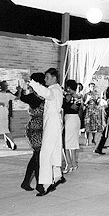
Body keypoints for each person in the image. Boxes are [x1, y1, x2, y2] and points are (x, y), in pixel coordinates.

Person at [28, 68, 65, 196]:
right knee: (54, 149)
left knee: (45, 153)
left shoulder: (54, 90)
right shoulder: (57, 89)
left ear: (54, 78)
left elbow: (45, 93)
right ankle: (57, 176)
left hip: (52, 123)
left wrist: (32, 83)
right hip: (54, 122)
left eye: (47, 77)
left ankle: (45, 184)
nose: (45, 79)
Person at [18, 72, 45, 191]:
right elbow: (24, 97)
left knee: (37, 155)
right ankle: (39, 184)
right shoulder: (36, 97)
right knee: (38, 156)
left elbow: (23, 97)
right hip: (35, 129)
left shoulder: (37, 95)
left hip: (38, 128)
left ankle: (26, 182)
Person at [62, 79, 82, 173]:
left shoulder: (68, 97)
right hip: (76, 119)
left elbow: (65, 107)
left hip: (69, 119)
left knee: (65, 143)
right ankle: (74, 163)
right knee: (73, 142)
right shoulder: (78, 96)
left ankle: (68, 164)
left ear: (69, 87)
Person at [94, 77, 109, 155]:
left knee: (108, 131)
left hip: (108, 112)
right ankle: (98, 148)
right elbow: (106, 103)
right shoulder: (107, 92)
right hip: (106, 112)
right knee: (105, 131)